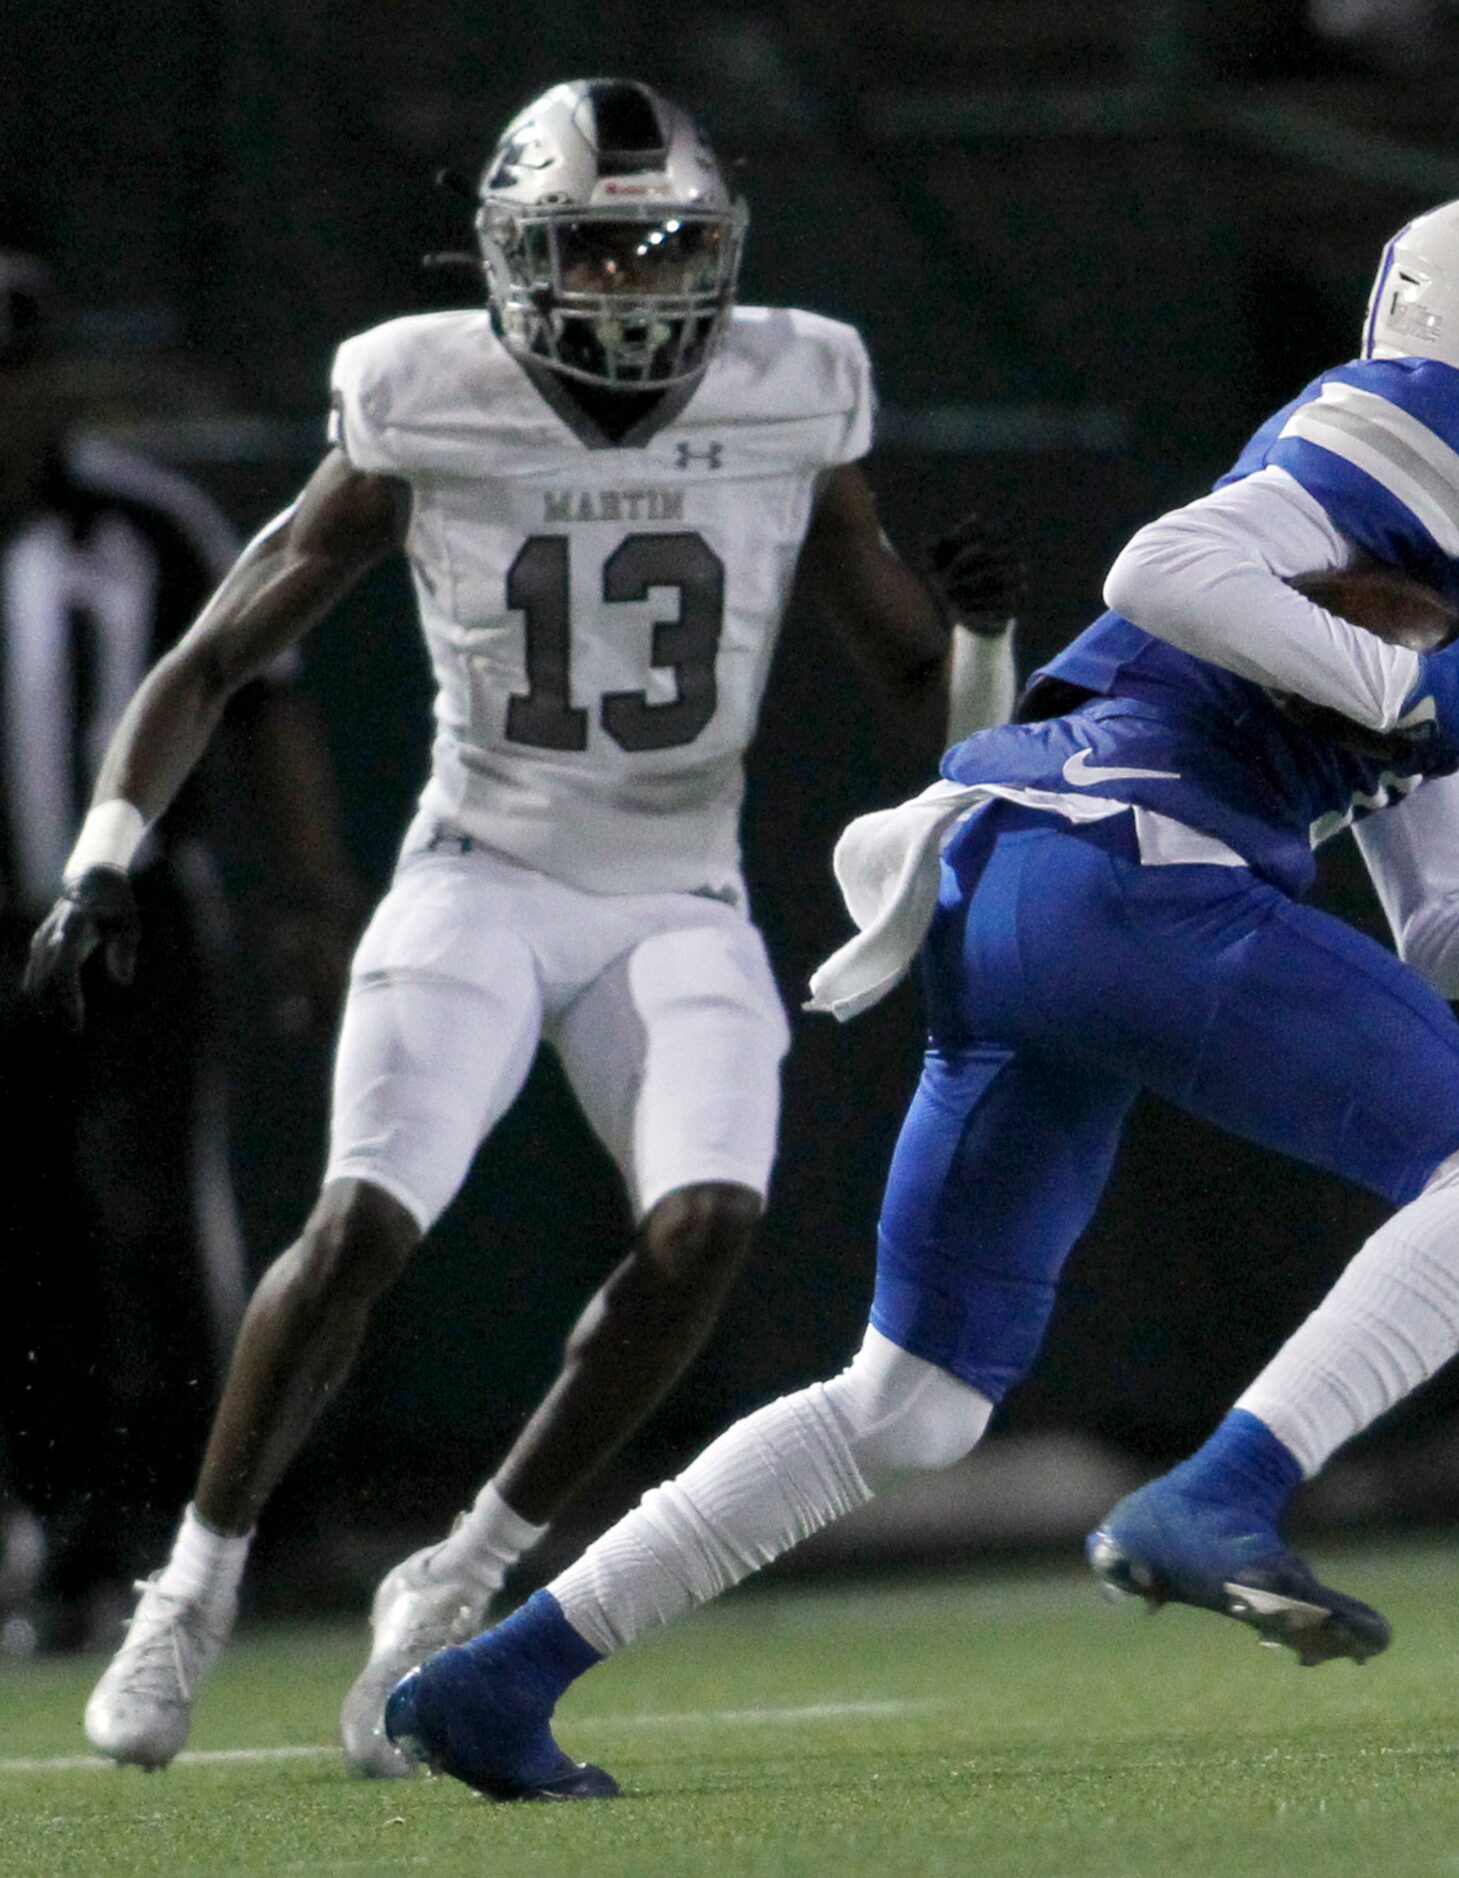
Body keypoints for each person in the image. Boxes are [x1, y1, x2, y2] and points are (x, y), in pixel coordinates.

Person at [381, 189, 1459, 1801]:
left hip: (1022, 884)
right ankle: (1222, 1487)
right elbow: (1164, 568)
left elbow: (1450, 931)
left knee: (915, 1401)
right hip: (1128, 861)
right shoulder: (1427, 423)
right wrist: (1389, 676)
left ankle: (500, 1674)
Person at [23, 80, 1023, 1774]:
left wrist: (989, 645)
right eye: (597, 251)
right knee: (358, 1223)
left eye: (665, 250)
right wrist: (103, 851)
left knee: (707, 1223)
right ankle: (190, 1585)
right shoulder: (426, 394)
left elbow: (924, 674)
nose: (634, 289)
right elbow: (204, 659)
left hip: (679, 887)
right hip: (479, 867)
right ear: (508, 259)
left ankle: (464, 1566)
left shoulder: (795, 385)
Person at [0, 249, 357, 1654]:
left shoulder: (152, 525)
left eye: (17, 373)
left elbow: (262, 703)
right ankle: (61, 1536)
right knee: (24, 1245)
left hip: (130, 930)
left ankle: (202, 1523)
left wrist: (315, 898)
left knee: (159, 1224)